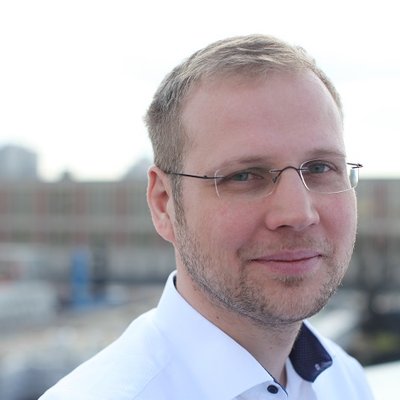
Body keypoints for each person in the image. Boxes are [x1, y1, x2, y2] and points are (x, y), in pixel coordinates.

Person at [40, 34, 374, 399]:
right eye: (244, 176)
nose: (298, 214)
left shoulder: (344, 380)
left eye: (320, 167)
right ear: (164, 203)